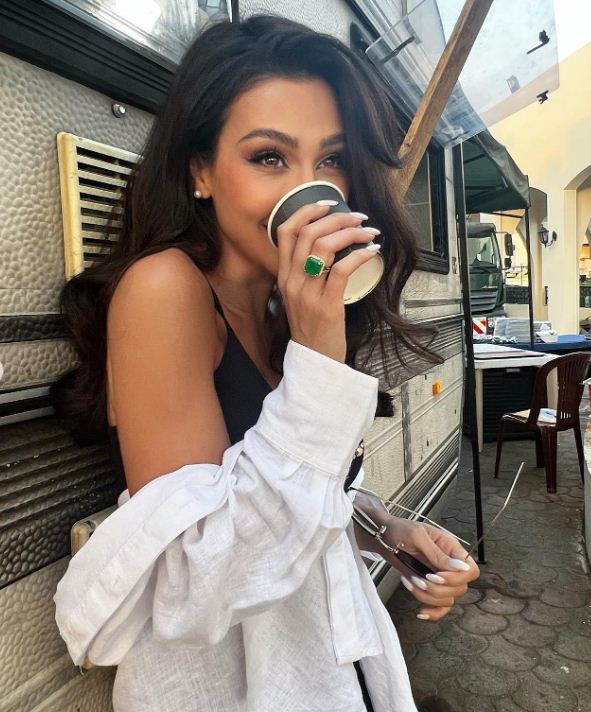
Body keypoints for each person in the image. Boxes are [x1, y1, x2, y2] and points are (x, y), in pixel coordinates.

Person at [52, 15, 479, 712]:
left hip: (329, 669)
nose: (310, 192)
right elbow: (190, 576)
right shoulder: (165, 290)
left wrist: (384, 531)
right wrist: (318, 357)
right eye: (270, 158)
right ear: (200, 171)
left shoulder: (282, 305)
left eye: (332, 160)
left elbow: (289, 490)